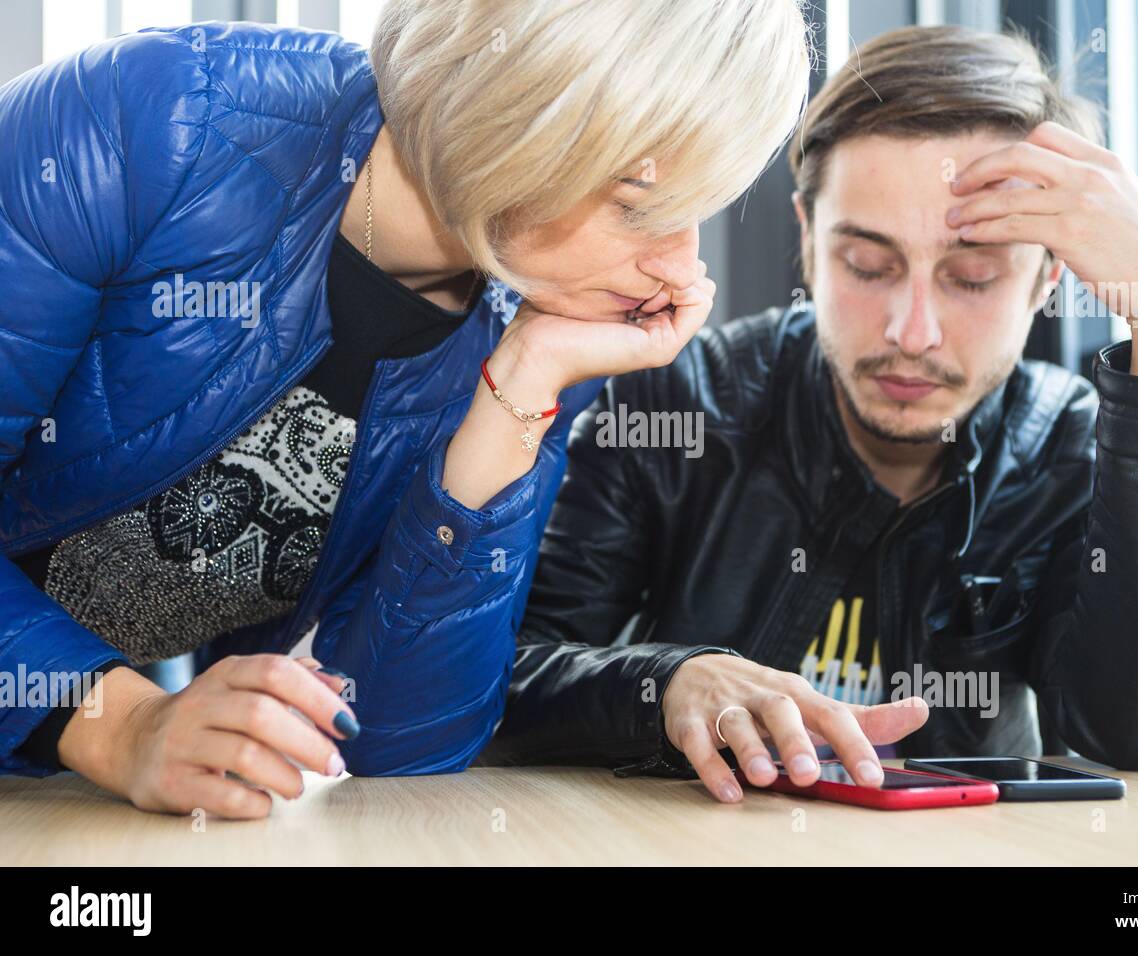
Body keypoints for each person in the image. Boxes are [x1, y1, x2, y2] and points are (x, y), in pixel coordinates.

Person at [0, 0, 811, 817]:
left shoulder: (548, 319)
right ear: (516, 108)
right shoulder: (154, 120)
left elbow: (406, 740)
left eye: (696, 210)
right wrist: (123, 725)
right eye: (640, 203)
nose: (680, 271)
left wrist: (519, 393)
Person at [483, 26, 1138, 804]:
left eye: (973, 277)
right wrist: (669, 682)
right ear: (809, 239)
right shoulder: (680, 404)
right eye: (868, 266)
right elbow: (492, 685)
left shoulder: (1067, 449)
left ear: (1049, 278)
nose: (912, 334)